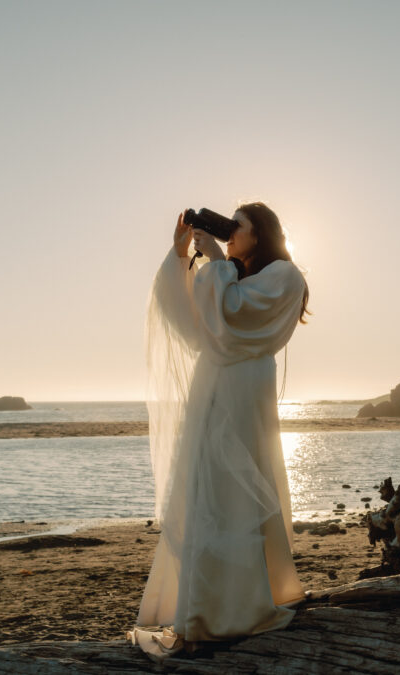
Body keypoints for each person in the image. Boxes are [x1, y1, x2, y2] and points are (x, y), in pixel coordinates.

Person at [127, 202, 310, 662]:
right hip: (213, 387)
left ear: (262, 233)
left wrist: (215, 259)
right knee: (206, 493)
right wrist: (181, 251)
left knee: (234, 493)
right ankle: (199, 614)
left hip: (242, 391)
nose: (230, 234)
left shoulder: (285, 275)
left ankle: (231, 611)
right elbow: (193, 322)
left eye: (238, 226)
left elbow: (234, 321)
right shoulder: (233, 273)